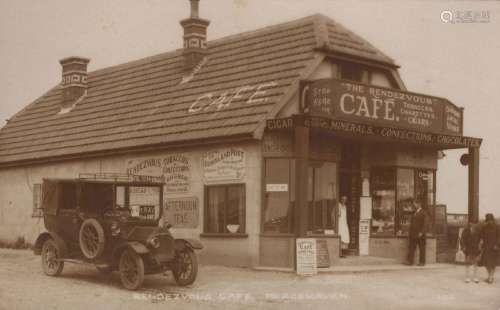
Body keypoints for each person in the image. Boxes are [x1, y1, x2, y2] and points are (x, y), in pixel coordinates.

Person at [405, 200, 427, 266]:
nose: (414, 205)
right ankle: (410, 261)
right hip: (413, 234)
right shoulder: (415, 212)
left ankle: (422, 262)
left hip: (420, 234)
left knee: (422, 248)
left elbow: (425, 224)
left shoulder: (423, 213)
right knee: (411, 247)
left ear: (419, 204)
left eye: (415, 204)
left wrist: (421, 232)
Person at [479, 213, 499, 284]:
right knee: (486, 263)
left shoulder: (497, 227)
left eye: (491, 220)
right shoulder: (484, 227)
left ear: (493, 220)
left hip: (494, 248)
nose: (489, 222)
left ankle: (490, 277)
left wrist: (497, 245)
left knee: (493, 263)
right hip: (486, 247)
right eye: (488, 220)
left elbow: (499, 237)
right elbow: (481, 236)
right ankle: (490, 276)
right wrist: (481, 242)